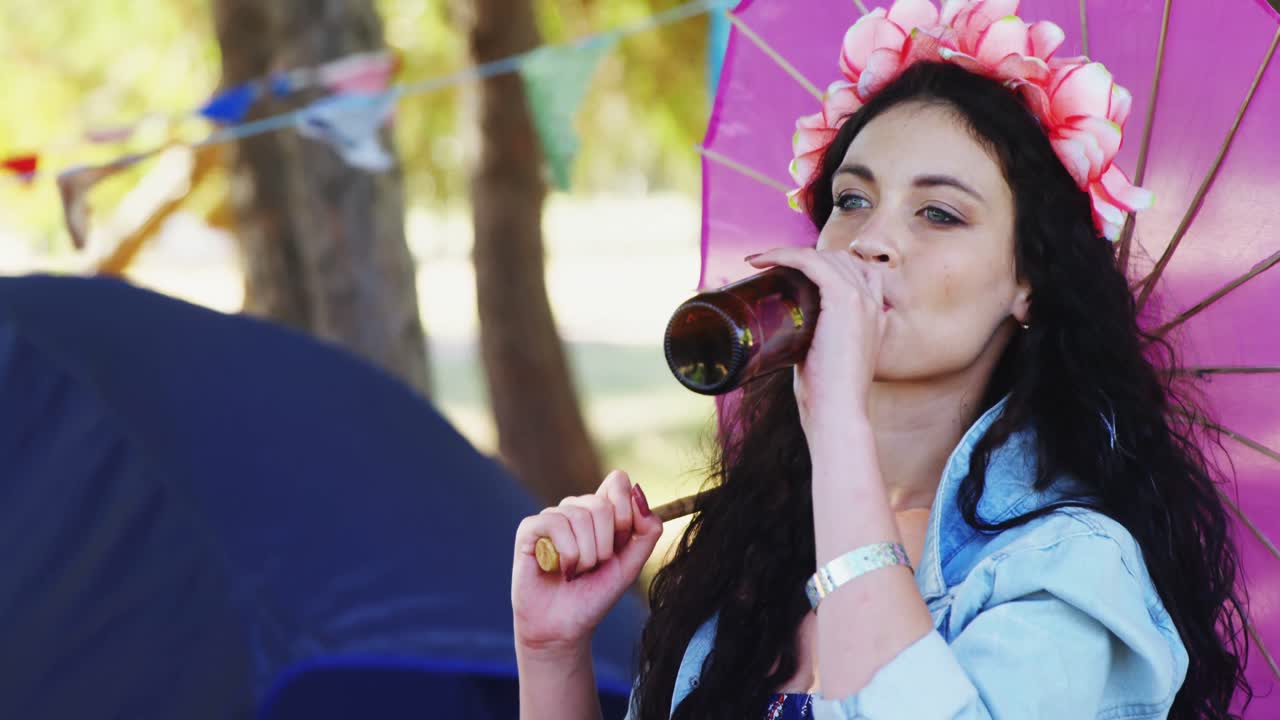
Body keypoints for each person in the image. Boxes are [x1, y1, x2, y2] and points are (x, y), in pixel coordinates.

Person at [511, 4, 1251, 719]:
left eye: (939, 213)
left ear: (1029, 283)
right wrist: (552, 652)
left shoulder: (1068, 567)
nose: (871, 240)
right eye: (853, 198)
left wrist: (836, 425)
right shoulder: (754, 547)